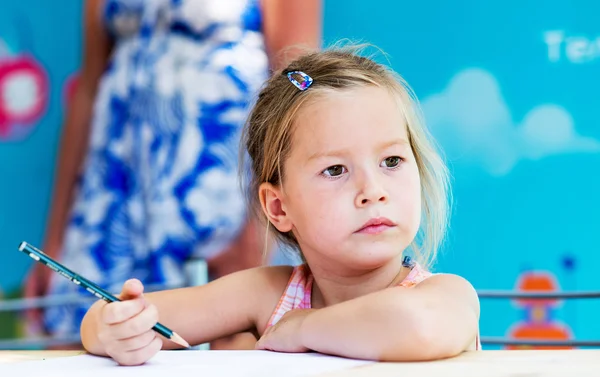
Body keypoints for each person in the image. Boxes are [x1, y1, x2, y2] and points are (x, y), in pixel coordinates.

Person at [79, 46, 481, 366]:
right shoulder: (269, 293)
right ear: (279, 207)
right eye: (336, 169)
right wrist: (117, 328)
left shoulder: (444, 296)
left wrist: (304, 328)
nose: (372, 190)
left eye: (391, 161)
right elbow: (101, 319)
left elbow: (416, 327)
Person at [23, 0, 321, 348]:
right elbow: (89, 89)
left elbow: (296, 90)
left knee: (219, 355)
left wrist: (256, 235)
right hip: (110, 207)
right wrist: (56, 238)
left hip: (215, 211)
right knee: (86, 345)